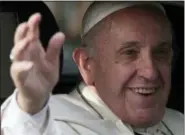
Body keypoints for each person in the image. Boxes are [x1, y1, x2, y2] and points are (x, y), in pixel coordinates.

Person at [1, 1, 184, 135]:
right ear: (87, 64)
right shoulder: (53, 121)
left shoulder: (179, 122)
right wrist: (30, 104)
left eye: (161, 53)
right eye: (129, 53)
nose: (150, 72)